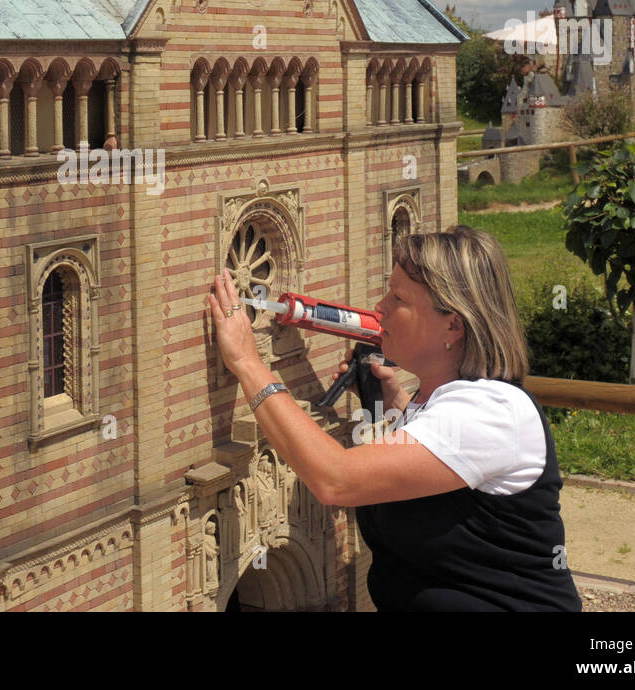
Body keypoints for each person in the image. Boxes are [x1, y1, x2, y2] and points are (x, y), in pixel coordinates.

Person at [205, 224, 582, 611]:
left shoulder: (493, 413)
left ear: (452, 325)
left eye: (398, 297)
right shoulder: (437, 404)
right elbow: (439, 451)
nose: (380, 307)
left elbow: (336, 479)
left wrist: (248, 365)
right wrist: (395, 404)